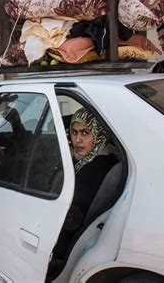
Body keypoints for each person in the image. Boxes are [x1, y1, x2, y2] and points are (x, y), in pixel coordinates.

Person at [51, 107, 118, 264]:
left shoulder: (94, 170)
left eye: (85, 133)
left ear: (98, 134)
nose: (78, 140)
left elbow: (69, 216)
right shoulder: (101, 157)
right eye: (74, 133)